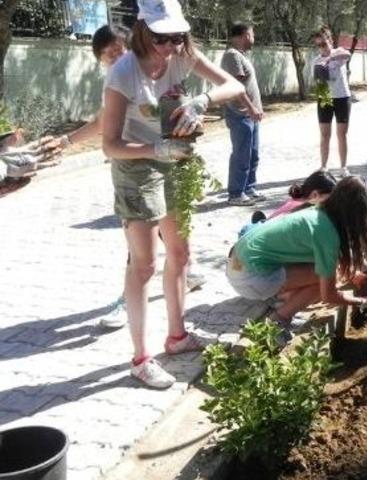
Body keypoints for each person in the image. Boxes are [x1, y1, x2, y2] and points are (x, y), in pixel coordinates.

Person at [101, 0, 244, 388]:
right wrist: (154, 149)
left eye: (178, 36)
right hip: (137, 168)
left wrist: (202, 100)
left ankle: (177, 337)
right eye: (163, 37)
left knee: (180, 253)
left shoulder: (183, 53)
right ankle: (140, 358)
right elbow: (109, 145)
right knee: (144, 265)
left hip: (177, 162)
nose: (171, 45)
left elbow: (234, 85)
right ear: (144, 29)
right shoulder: (123, 72)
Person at [49, 24, 206, 329]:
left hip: (165, 164)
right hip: (135, 167)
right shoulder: (118, 79)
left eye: (119, 49)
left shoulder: (152, 69)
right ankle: (130, 302)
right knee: (142, 255)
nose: (115, 57)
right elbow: (103, 126)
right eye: (107, 55)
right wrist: (67, 142)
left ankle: (187, 271)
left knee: (173, 241)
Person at [226, 176, 367, 325]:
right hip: (248, 278)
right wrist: (363, 301)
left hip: (235, 265)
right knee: (324, 281)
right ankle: (279, 318)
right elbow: (329, 295)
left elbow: (322, 258)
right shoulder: (327, 233)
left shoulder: (318, 213)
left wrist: (353, 275)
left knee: (328, 273)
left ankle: (281, 296)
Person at [221, 22, 265, 207]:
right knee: (242, 154)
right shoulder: (232, 55)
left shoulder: (241, 56)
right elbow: (237, 88)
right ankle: (236, 193)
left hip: (249, 116)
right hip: (240, 114)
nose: (253, 39)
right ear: (245, 35)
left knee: (252, 154)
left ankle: (249, 188)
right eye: (252, 35)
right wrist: (251, 108)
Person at [238, 170, 337, 238]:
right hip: (253, 235)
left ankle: (259, 222)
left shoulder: (297, 200)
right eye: (328, 199)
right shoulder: (303, 209)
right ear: (315, 194)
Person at [312, 26, 352, 176]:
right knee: (324, 134)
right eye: (318, 45)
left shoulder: (338, 53)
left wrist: (329, 59)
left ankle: (343, 167)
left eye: (323, 43)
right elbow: (318, 82)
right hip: (325, 97)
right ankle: (323, 166)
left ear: (330, 40)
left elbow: (347, 54)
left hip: (342, 97)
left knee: (341, 134)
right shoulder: (316, 61)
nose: (321, 47)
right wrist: (321, 75)